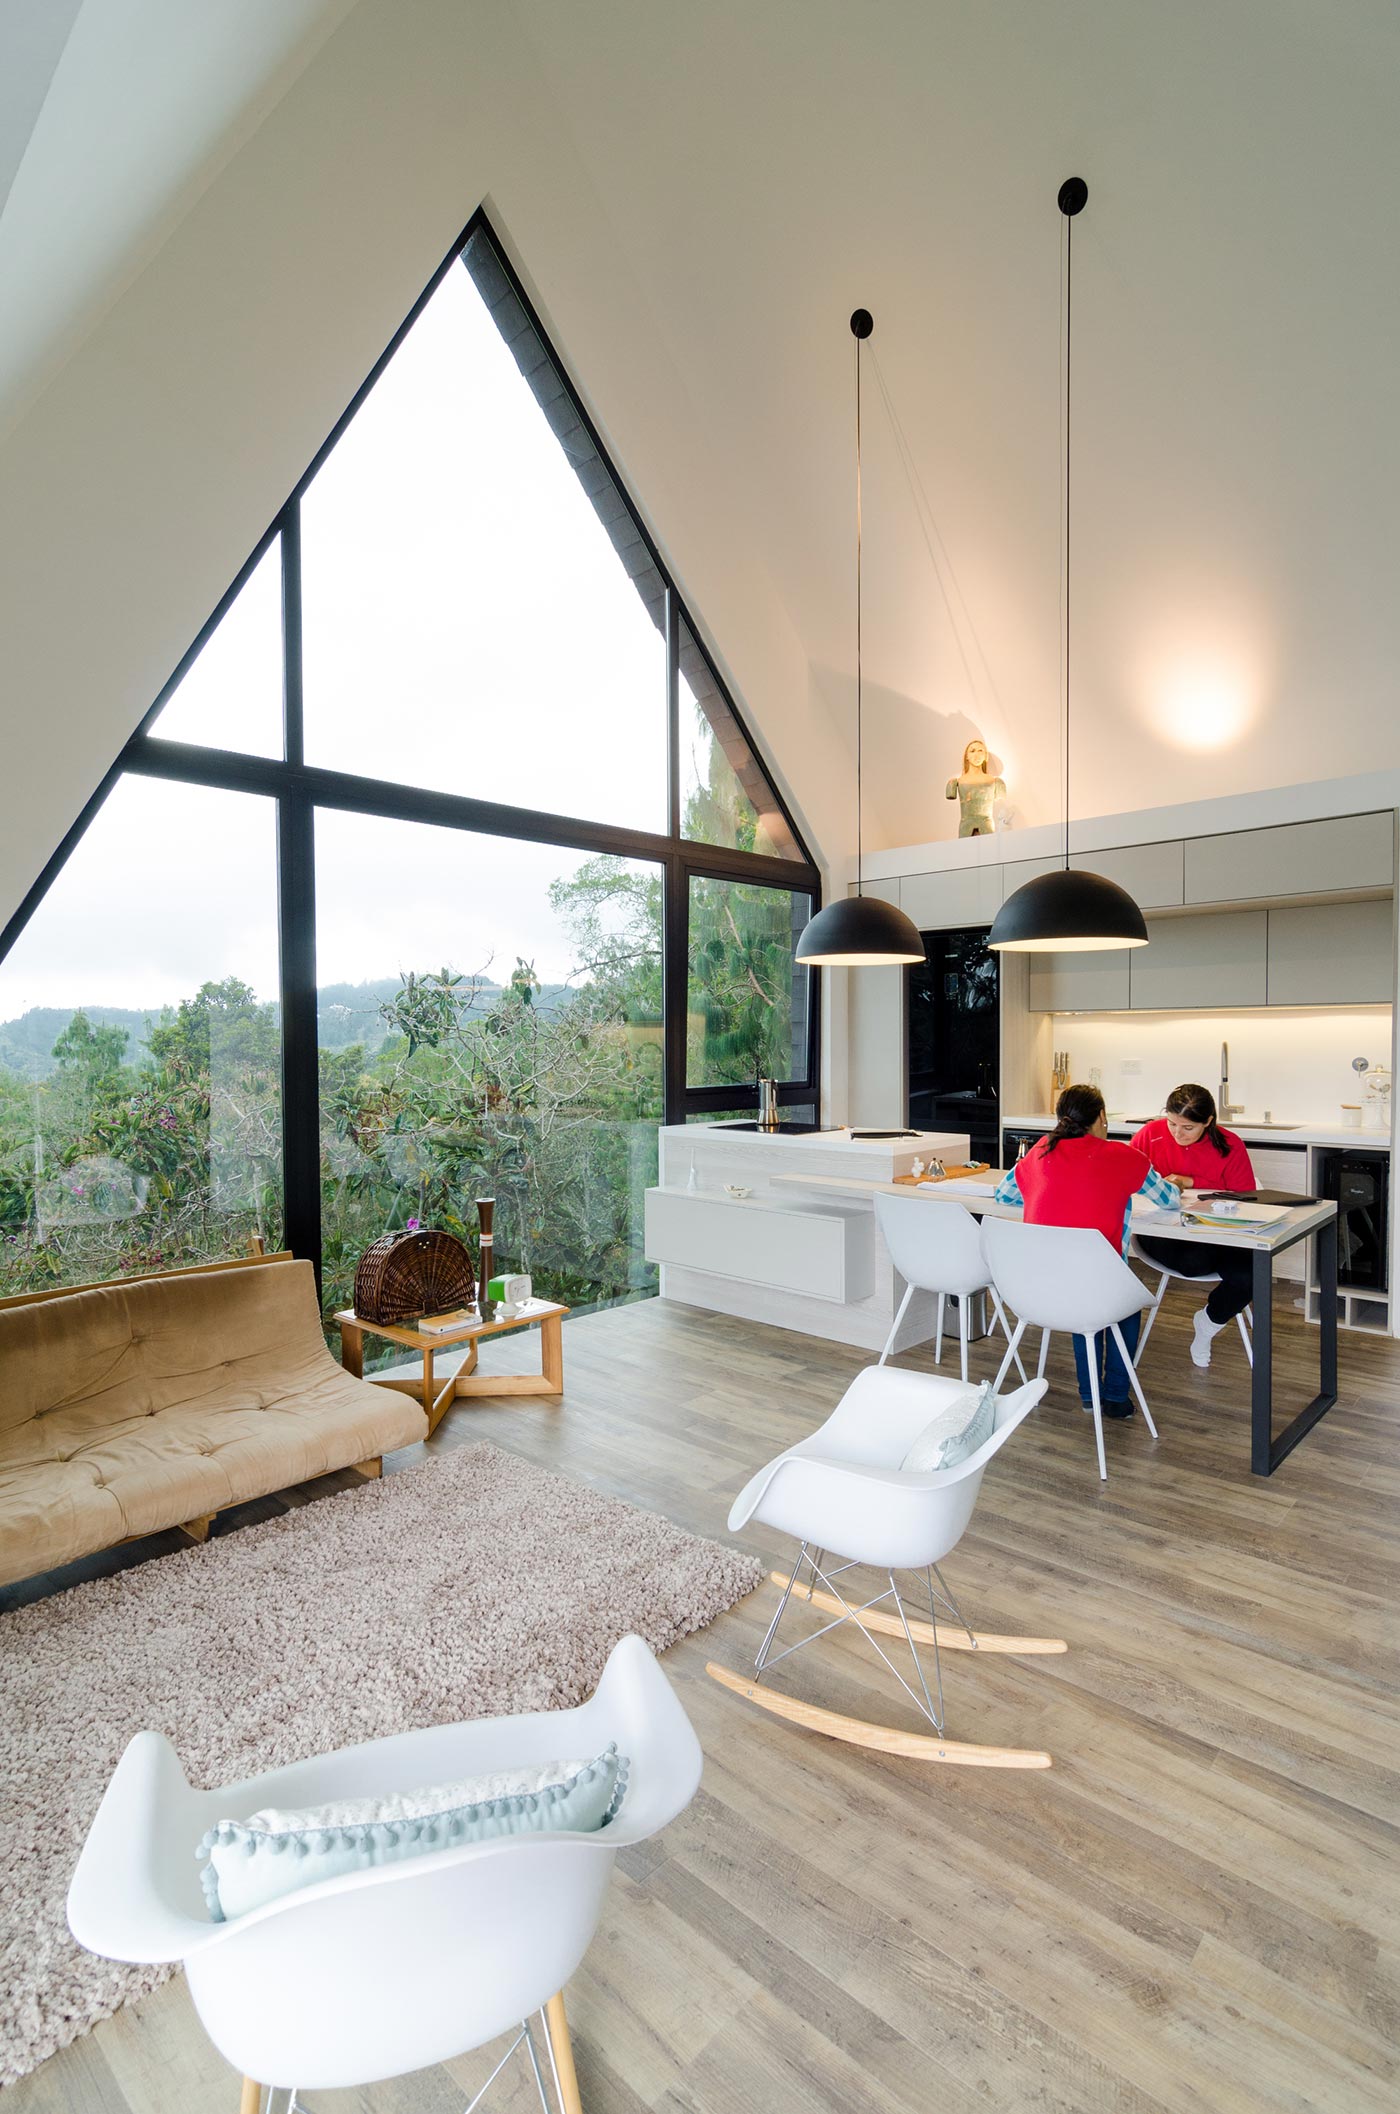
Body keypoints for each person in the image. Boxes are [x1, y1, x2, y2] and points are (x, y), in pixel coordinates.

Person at [995, 1083, 1177, 1416]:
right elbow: (1169, 1200)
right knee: (1123, 1302)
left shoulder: (1038, 1152)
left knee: (1084, 1302)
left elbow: (1003, 1196)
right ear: (1102, 1116)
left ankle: (1090, 1395)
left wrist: (1046, 1191)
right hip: (1096, 1288)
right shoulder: (1124, 1156)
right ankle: (1116, 1397)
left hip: (1038, 1289)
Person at [1130, 1084, 1257, 1369]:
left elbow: (1246, 1199)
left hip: (1217, 1233)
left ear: (1208, 1121)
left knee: (1251, 1276)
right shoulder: (1150, 1134)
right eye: (1172, 1123)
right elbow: (1129, 1177)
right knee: (1193, 1262)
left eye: (1187, 1127)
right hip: (1162, 1233)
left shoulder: (1229, 1144)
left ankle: (1208, 1324)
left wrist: (1189, 1181)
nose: (1177, 1133)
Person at [944, 738, 1006, 837]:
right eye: (972, 751)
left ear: (985, 756)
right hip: (965, 828)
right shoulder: (955, 782)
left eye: (980, 750)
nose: (976, 755)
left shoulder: (996, 782)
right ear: (967, 756)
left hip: (987, 828)